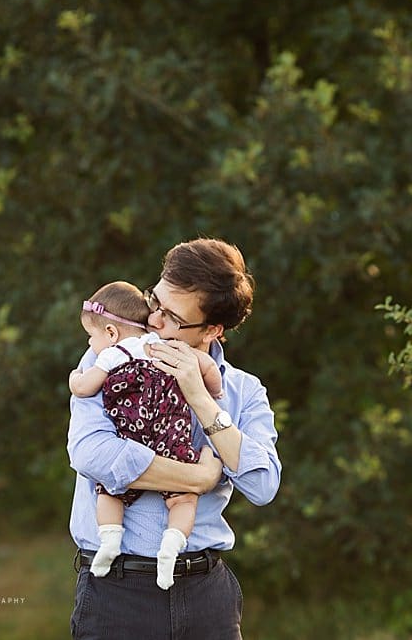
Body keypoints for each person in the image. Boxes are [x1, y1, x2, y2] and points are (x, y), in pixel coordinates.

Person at [67, 238, 281, 640]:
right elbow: (91, 453)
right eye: (156, 303)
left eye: (172, 317)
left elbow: (263, 485)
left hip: (205, 596)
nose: (154, 322)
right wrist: (198, 479)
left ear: (213, 329)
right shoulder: (110, 358)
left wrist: (201, 400)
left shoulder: (240, 391)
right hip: (117, 594)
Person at [68, 281, 223, 589]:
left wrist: (75, 379)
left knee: (109, 491)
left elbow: (86, 387)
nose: (90, 344)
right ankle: (171, 546)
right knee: (183, 500)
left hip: (132, 434)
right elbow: (206, 367)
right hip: (171, 431)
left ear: (111, 334)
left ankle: (110, 540)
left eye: (91, 337)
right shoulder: (164, 346)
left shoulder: (112, 355)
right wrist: (214, 392)